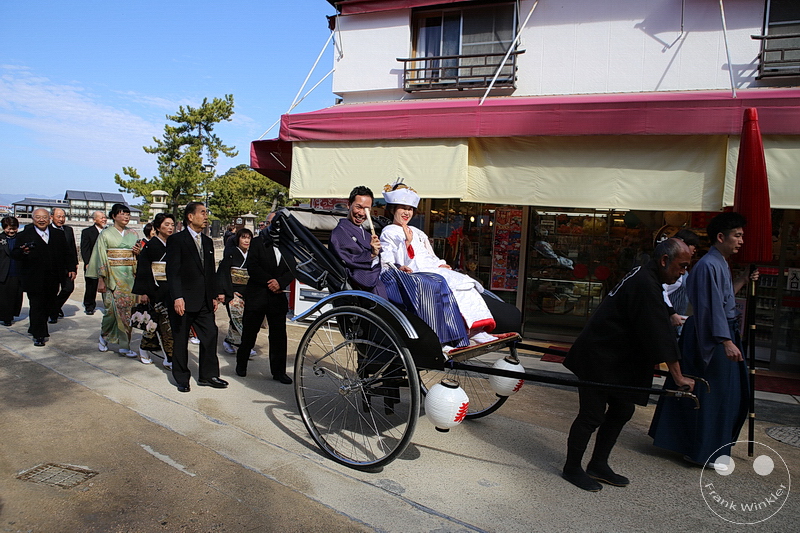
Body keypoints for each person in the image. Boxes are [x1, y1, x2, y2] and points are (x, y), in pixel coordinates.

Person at [561, 238, 695, 492]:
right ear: (665, 260)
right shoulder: (646, 281)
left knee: (623, 409)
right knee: (592, 415)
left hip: (614, 358)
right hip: (598, 355)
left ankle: (598, 463)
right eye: (682, 265)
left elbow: (658, 320)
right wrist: (678, 378)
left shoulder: (648, 275)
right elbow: (660, 334)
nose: (683, 272)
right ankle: (572, 468)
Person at [649, 212, 757, 469]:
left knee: (723, 394)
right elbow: (710, 309)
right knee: (711, 393)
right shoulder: (709, 264)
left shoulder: (719, 263)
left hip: (715, 332)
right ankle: (699, 451)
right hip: (709, 335)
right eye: (737, 236)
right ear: (721, 237)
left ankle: (701, 448)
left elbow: (723, 299)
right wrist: (724, 341)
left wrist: (742, 278)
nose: (741, 241)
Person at [379, 180, 497, 345]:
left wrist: (440, 263)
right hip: (412, 274)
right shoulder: (388, 232)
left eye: (410, 209)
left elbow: (430, 255)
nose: (407, 213)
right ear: (392, 209)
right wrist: (406, 244)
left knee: (464, 281)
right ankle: (460, 333)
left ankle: (477, 328)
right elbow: (389, 261)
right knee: (448, 283)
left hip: (430, 269)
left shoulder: (418, 232)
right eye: (403, 208)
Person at [165, 202, 228, 393]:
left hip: (204, 300)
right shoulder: (177, 240)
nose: (206, 216)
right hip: (183, 300)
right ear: (190, 217)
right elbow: (173, 271)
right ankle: (182, 378)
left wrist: (214, 295)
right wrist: (177, 297)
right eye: (202, 212)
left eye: (206, 213)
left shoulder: (207, 242)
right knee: (181, 339)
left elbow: (210, 271)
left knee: (210, 335)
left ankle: (208, 375)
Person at [234, 223, 294, 383]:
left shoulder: (289, 244)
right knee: (249, 332)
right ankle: (241, 364)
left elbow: (294, 268)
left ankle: (279, 372)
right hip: (258, 294)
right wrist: (270, 282)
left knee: (279, 336)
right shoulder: (258, 242)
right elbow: (252, 267)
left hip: (278, 296)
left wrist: (280, 282)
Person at [11, 208, 74, 346]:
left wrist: (71, 268)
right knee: (37, 305)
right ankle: (39, 335)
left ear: (49, 218)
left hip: (53, 277)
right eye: (38, 217)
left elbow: (67, 253)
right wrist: (23, 252)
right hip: (33, 277)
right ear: (33, 219)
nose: (41, 220)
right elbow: (15, 254)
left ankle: (35, 326)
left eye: (44, 217)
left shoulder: (58, 234)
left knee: (48, 304)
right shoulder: (24, 235)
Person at [86, 203, 141, 358]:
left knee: (127, 311)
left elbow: (138, 255)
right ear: (114, 216)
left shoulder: (133, 234)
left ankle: (125, 345)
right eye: (122, 214)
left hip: (129, 276)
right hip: (111, 276)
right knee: (111, 311)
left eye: (128, 214)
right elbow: (101, 256)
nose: (126, 217)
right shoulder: (105, 234)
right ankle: (104, 336)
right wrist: (101, 280)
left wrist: (138, 253)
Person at [132, 213, 176, 369]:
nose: (170, 227)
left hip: (170, 288)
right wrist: (143, 292)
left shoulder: (173, 244)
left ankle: (147, 348)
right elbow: (143, 269)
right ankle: (168, 357)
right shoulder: (151, 246)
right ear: (157, 227)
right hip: (155, 289)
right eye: (166, 225)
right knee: (164, 325)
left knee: (159, 324)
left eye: (172, 225)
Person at [329, 186, 387, 298]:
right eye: (358, 207)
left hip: (378, 278)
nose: (361, 213)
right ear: (349, 205)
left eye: (366, 209)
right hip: (361, 287)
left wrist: (396, 266)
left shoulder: (367, 234)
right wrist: (371, 254)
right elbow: (350, 260)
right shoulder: (340, 233)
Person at [217, 228, 257, 356]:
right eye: (243, 237)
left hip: (248, 292)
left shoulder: (252, 254)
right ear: (237, 239)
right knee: (239, 318)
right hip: (232, 291)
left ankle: (229, 341)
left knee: (242, 318)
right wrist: (223, 292)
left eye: (248, 238)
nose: (246, 240)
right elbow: (222, 273)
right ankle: (245, 345)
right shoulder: (231, 253)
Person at [663, 228, 700, 330]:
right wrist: (672, 313)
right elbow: (661, 291)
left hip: (676, 322)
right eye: (693, 246)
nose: (695, 250)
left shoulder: (681, 269)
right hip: (667, 322)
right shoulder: (671, 268)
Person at [49, 207, 78, 322]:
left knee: (68, 288)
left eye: (63, 217)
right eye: (58, 216)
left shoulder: (68, 230)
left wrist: (74, 266)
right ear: (51, 217)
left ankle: (54, 307)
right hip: (52, 267)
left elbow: (72, 249)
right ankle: (53, 315)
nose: (61, 219)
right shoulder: (47, 230)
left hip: (66, 267)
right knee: (52, 290)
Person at [81, 210, 107, 315]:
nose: (104, 219)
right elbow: (85, 249)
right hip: (92, 262)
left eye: (105, 217)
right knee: (91, 286)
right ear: (94, 219)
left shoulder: (108, 231)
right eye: (101, 218)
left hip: (105, 263)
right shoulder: (87, 232)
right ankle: (89, 306)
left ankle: (108, 305)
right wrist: (87, 262)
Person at [0, 217, 23, 326]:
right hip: (3, 271)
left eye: (14, 228)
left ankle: (11, 314)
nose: (11, 231)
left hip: (17, 271)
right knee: (4, 296)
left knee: (15, 295)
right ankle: (6, 317)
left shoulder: (21, 238)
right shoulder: (0, 239)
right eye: (8, 229)